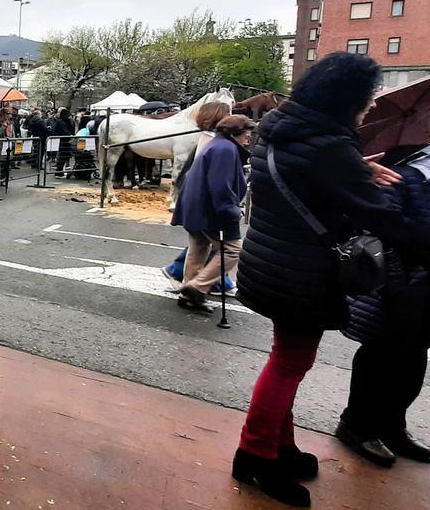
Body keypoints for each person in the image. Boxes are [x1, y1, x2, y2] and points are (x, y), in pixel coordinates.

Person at [232, 53, 430, 506]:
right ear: (345, 101)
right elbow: (381, 214)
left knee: (286, 359)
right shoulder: (330, 148)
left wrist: (357, 170)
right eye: (366, 101)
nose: (370, 109)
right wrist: (400, 190)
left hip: (272, 261)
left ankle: (279, 446)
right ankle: (255, 456)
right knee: (289, 365)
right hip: (303, 272)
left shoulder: (282, 128)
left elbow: (309, 180)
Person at [339, 144, 430, 468]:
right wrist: (398, 287)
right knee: (380, 358)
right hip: (401, 286)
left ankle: (394, 427)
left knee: (413, 360)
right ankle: (357, 426)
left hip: (421, 289)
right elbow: (381, 229)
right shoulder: (405, 172)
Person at [170, 115, 253, 312]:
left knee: (199, 247)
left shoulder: (217, 144)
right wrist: (232, 211)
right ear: (235, 134)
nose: (248, 139)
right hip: (211, 210)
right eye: (247, 135)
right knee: (233, 249)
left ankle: (188, 293)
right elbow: (220, 186)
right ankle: (197, 288)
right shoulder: (226, 149)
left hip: (197, 207)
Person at [162, 101, 234, 292]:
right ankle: (200, 282)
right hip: (204, 201)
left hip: (196, 199)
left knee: (200, 245)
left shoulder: (207, 138)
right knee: (227, 247)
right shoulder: (215, 143)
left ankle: (189, 281)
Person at [51, 108, 76, 178]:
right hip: (65, 141)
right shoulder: (68, 121)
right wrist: (71, 135)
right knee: (63, 157)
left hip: (63, 141)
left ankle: (60, 171)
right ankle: (59, 172)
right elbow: (65, 130)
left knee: (63, 156)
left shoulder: (60, 121)